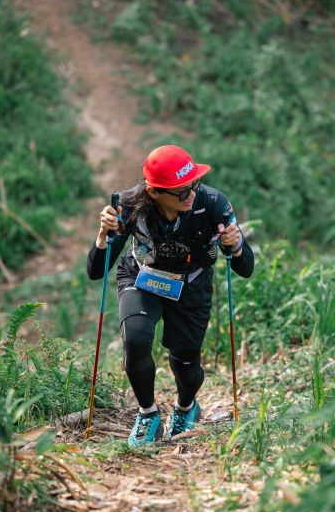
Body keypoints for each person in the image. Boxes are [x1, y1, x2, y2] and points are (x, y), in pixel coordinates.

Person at [87, 145, 254, 446]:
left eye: (194, 183)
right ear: (154, 192)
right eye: (181, 191)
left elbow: (246, 268)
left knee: (186, 365)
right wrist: (103, 235)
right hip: (142, 276)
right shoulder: (130, 206)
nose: (191, 194)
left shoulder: (212, 203)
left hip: (191, 284)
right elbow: (96, 271)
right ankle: (148, 414)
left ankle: (186, 407)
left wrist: (236, 244)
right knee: (135, 339)